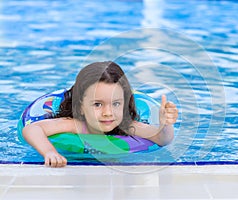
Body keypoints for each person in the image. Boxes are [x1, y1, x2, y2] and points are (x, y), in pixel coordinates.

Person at [22, 61, 178, 167]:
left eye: (116, 103)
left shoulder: (127, 126)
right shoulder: (75, 124)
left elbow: (162, 139)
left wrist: (165, 124)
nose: (108, 113)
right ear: (81, 106)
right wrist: (49, 152)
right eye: (98, 104)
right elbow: (31, 129)